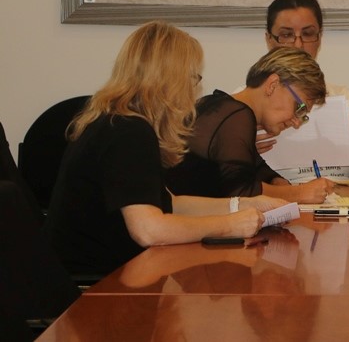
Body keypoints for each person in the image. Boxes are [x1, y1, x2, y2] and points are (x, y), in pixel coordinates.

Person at [44, 21, 286, 277]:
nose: (194, 89)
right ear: (172, 78)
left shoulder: (119, 122)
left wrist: (245, 204)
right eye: (193, 77)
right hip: (91, 284)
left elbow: (172, 203)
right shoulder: (128, 132)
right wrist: (228, 225)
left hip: (105, 273)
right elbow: (148, 230)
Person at [165, 47, 333, 203]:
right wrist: (299, 193)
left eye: (303, 115)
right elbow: (241, 193)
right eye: (299, 108)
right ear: (272, 85)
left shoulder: (219, 105)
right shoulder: (236, 116)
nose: (296, 123)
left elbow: (254, 170)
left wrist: (278, 182)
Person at [260, 0, 349, 177]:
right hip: (278, 194)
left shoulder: (340, 96)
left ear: (319, 37)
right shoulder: (248, 100)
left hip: (339, 192)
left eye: (307, 34)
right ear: (269, 39)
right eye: (287, 35)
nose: (298, 45)